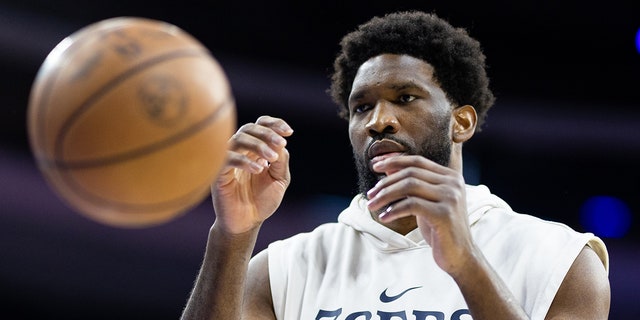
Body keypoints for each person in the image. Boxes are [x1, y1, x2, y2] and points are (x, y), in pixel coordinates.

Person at [180, 10, 610, 320]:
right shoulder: (284, 268)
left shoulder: (561, 258)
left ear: (461, 122)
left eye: (405, 98)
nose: (378, 121)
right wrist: (233, 236)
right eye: (361, 107)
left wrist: (465, 262)